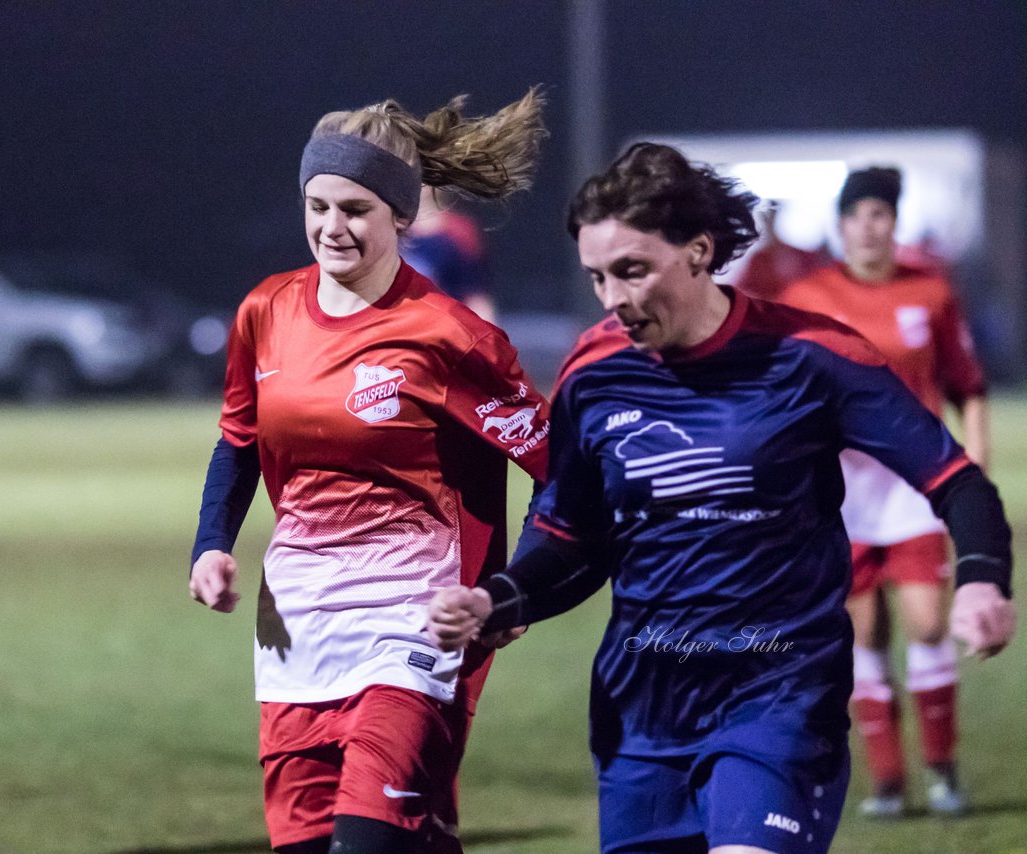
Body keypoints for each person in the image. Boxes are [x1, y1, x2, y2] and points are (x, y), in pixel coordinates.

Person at [426, 143, 1015, 854]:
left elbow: (956, 480)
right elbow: (571, 535)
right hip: (642, 707)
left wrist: (982, 580)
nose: (615, 299)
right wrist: (502, 599)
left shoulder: (813, 354)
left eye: (633, 270)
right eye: (598, 277)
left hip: (780, 694)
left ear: (700, 251)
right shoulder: (593, 374)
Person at [189, 90, 550, 854]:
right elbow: (239, 441)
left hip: (411, 621)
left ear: (402, 217)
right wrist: (211, 545)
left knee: (372, 842)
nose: (331, 227)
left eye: (354, 208)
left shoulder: (450, 336)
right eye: (316, 205)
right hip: (294, 625)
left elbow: (558, 464)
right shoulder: (265, 312)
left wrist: (518, 584)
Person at [778, 167, 989, 817]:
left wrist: (972, 467)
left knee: (928, 620)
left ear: (895, 224)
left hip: (914, 486)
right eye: (857, 216)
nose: (869, 228)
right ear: (839, 226)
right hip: (840, 492)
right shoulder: (808, 295)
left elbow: (967, 383)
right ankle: (890, 782)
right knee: (862, 634)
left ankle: (944, 769)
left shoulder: (930, 292)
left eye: (880, 215)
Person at [402, 188, 497, 322]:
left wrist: (490, 338)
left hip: (445, 329)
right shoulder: (385, 229)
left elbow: (476, 294)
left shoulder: (459, 232)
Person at [732, 201, 830, 302]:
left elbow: (821, 283)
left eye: (772, 217)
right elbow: (743, 288)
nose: (769, 222)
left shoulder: (803, 256)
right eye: (765, 219)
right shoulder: (759, 259)